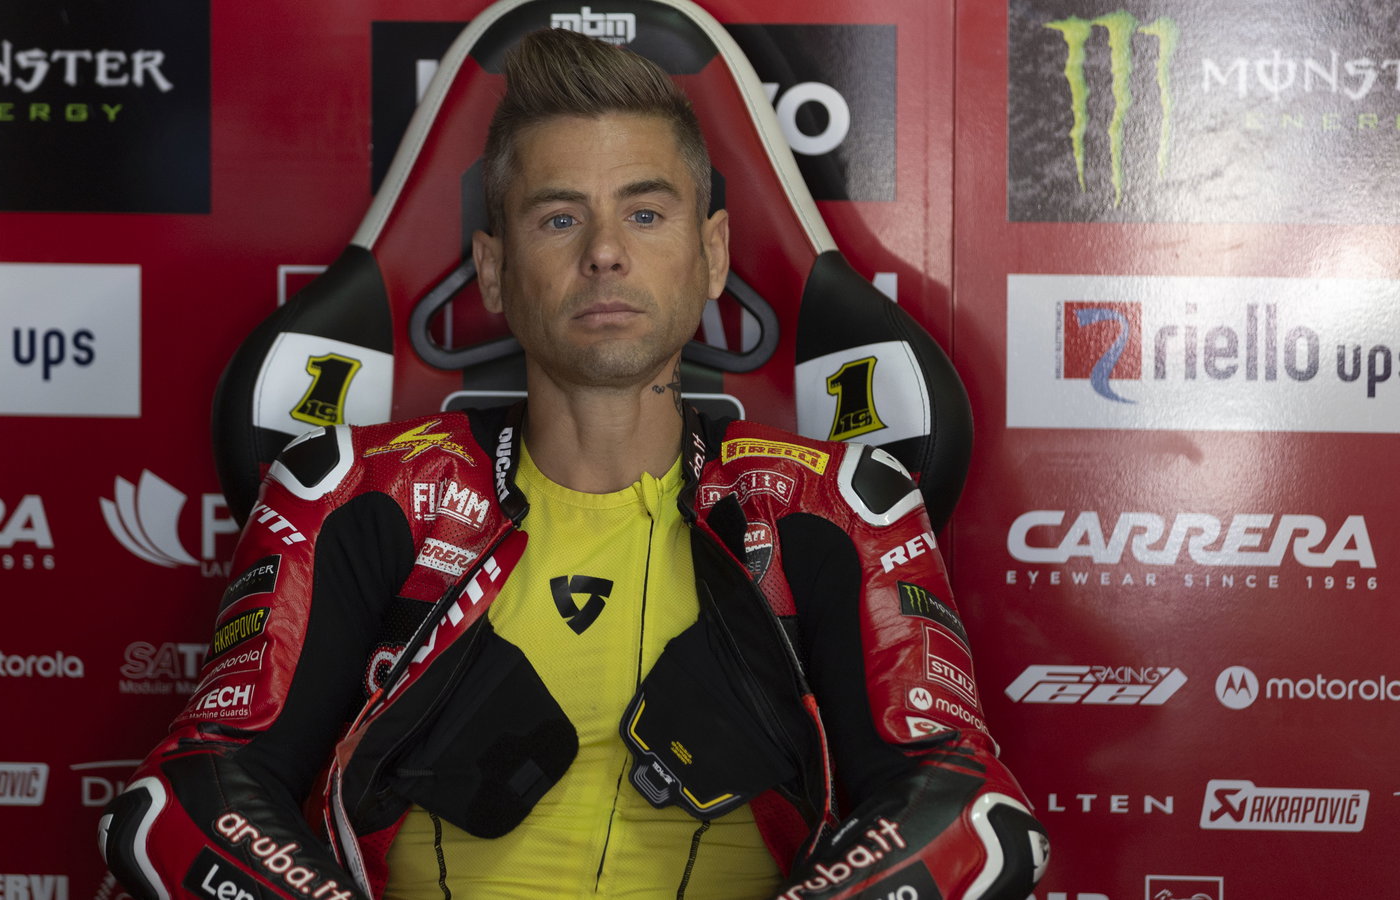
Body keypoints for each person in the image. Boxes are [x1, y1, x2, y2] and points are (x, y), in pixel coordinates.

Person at [100, 26, 1047, 900]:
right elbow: (186, 800)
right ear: (495, 269)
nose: (603, 253)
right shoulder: (349, 492)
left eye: (644, 214)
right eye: (559, 219)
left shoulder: (836, 505)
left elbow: (970, 811)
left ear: (711, 253)